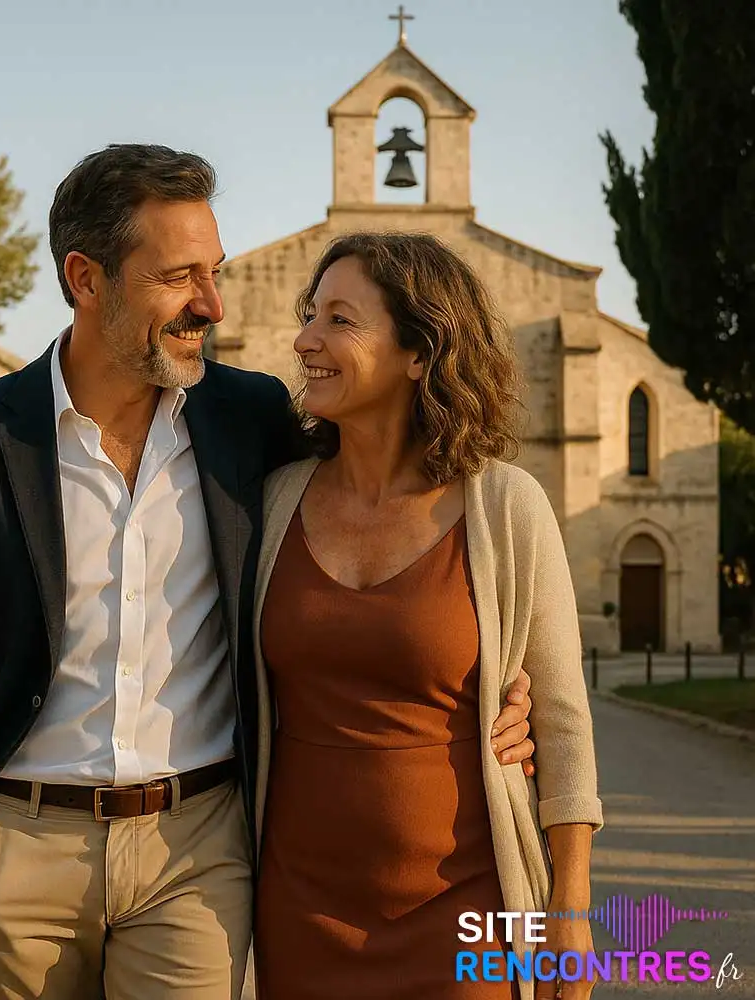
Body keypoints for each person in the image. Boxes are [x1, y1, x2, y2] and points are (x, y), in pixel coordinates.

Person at [0, 143, 535, 1000]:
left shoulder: (252, 421)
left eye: (212, 272)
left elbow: (381, 526)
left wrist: (497, 678)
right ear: (87, 278)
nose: (210, 304)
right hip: (18, 848)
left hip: (199, 851)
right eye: (179, 277)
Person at [249, 232, 604, 1000]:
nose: (305, 339)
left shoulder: (507, 507)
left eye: (339, 320)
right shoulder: (274, 499)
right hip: (298, 915)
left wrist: (567, 913)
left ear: (419, 352)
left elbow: (566, 724)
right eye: (309, 314)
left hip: (465, 914)